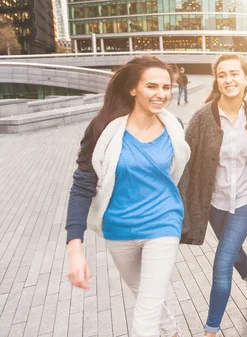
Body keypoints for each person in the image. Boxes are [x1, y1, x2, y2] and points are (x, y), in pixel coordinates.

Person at [65, 55, 190, 337]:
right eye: (152, 86)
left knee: (145, 316)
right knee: (143, 294)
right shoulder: (104, 130)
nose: (161, 94)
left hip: (163, 223)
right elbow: (83, 185)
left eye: (166, 87)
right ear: (133, 88)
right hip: (118, 229)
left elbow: (176, 173)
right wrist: (75, 248)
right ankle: (172, 332)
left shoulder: (174, 128)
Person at [177, 54, 247, 337]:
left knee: (223, 261)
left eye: (235, 73)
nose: (229, 79)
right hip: (214, 202)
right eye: (223, 74)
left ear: (246, 78)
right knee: (234, 250)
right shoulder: (203, 117)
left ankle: (210, 330)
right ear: (217, 79)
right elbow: (184, 158)